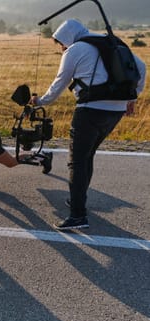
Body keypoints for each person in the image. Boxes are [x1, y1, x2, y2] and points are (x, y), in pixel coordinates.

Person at [31, 19, 146, 230]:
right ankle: (77, 200)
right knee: (87, 156)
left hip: (90, 110)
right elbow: (141, 67)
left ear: (67, 37)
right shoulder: (111, 43)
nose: (61, 47)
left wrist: (40, 102)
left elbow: (60, 82)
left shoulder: (75, 49)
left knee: (77, 161)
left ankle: (77, 216)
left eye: (60, 43)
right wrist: (132, 98)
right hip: (115, 112)